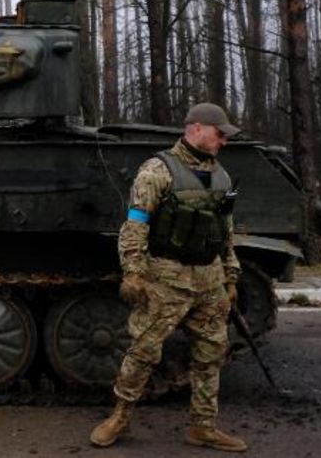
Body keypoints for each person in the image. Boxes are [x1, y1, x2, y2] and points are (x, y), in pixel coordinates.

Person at [90, 102, 248, 453]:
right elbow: (135, 225)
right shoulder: (156, 171)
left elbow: (226, 232)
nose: (223, 140)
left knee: (211, 355)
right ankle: (119, 416)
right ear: (196, 129)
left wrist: (231, 276)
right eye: (219, 133)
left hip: (209, 280)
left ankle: (203, 427)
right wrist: (133, 272)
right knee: (143, 351)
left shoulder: (221, 176)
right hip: (165, 279)